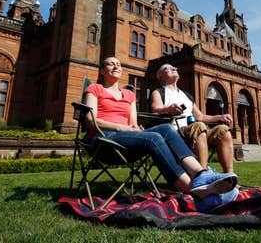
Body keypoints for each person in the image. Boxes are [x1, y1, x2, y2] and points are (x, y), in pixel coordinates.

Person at [84, 57, 239, 212]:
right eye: (111, 64)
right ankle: (193, 189)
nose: (116, 66)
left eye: (118, 64)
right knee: (154, 137)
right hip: (104, 137)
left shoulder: (129, 95)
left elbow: (133, 124)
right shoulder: (95, 89)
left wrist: (136, 129)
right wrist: (122, 128)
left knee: (165, 128)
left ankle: (201, 175)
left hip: (127, 139)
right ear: (103, 70)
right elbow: (91, 121)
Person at [150, 63, 235, 173]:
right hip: (175, 133)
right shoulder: (159, 92)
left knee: (223, 130)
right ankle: (203, 174)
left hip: (195, 131)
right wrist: (168, 109)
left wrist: (221, 116)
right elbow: (155, 109)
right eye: (168, 68)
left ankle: (230, 176)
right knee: (198, 126)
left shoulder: (186, 95)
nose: (174, 68)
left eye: (174, 67)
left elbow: (200, 116)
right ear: (161, 76)